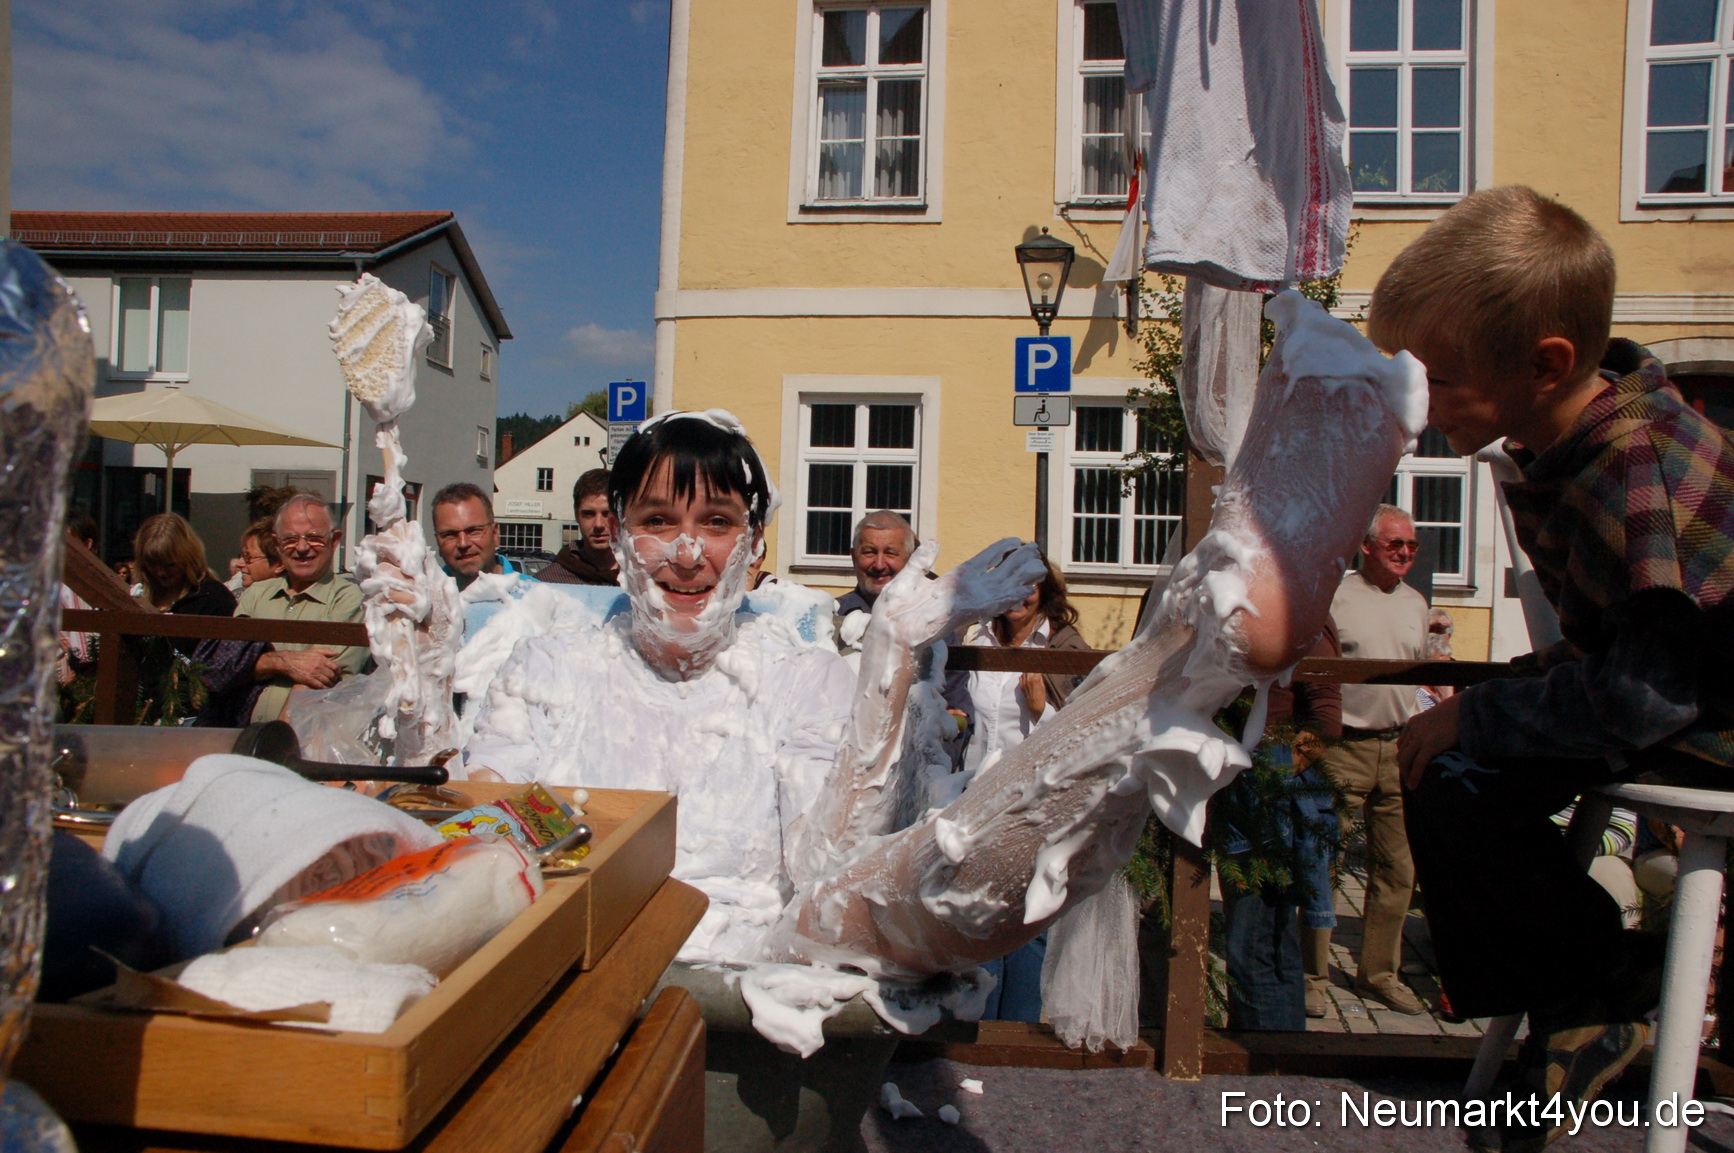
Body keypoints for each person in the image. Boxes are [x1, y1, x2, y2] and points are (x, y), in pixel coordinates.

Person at [1377, 186, 1734, 1148]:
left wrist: (1482, 719)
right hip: (1676, 702)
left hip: (1711, 724)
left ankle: (1606, 993)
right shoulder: (1571, 440)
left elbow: (1644, 691)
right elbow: (1607, 645)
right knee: (1443, 762)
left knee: (1457, 772)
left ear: (1545, 364)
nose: (1419, 404)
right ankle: (1580, 1002)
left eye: (1439, 380)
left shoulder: (1636, 463)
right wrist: (1491, 699)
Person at [465, 413, 859, 961]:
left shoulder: (803, 683)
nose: (688, 552)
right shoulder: (547, 672)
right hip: (570, 977)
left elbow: (832, 870)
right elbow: (485, 837)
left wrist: (895, 672)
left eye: (717, 522)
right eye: (659, 520)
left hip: (742, 999)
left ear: (754, 542)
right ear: (622, 536)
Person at [942, 553, 1091, 1021]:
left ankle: (1019, 1028)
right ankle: (979, 1028)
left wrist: (1043, 709)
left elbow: (1089, 736)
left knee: (1028, 918)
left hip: (1036, 799)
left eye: (1031, 584)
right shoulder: (977, 638)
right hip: (977, 794)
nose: (1021, 595)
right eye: (1012, 583)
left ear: (1045, 590)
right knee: (978, 914)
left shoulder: (1065, 644)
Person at [1310, 504, 1429, 1017]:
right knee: (1323, 865)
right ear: (1367, 546)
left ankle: (1379, 973)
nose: (1405, 554)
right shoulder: (1336, 596)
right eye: (1395, 545)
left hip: (1399, 747)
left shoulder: (1417, 602)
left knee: (1397, 870)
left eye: (1412, 546)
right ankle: (1312, 975)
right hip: (1347, 749)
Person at [1219, 620, 1343, 1029]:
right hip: (1233, 773)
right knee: (1267, 938)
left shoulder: (1299, 612)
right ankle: (1279, 1047)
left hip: (1266, 778)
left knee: (1257, 940)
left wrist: (1280, 774)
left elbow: (1325, 714)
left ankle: (1264, 1057)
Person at [235, 493, 368, 723]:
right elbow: (229, 663)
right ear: (277, 545)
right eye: (290, 539)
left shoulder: (349, 599)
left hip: (303, 744)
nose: (303, 547)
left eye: (315, 537)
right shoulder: (256, 594)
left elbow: (316, 677)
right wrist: (285, 662)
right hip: (239, 735)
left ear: (334, 541)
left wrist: (276, 746)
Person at [132, 514, 238, 653]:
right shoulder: (136, 597)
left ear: (188, 557)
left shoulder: (213, 597)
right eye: (152, 564)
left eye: (170, 565)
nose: (161, 573)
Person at [430, 483, 518, 590]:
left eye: (473, 531)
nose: (463, 543)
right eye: (450, 535)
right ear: (438, 542)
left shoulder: (534, 598)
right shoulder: (423, 600)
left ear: (495, 533)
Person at [538, 468, 618, 585]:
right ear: (576, 514)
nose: (598, 524)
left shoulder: (641, 579)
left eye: (607, 514)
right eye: (588, 514)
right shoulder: (547, 583)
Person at [835, 510, 915, 617]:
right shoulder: (829, 616)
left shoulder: (934, 618)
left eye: (890, 553)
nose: (879, 565)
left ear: (910, 559)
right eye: (869, 552)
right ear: (854, 557)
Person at [235, 520, 283, 592]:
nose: (238, 564)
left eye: (249, 557)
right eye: (242, 556)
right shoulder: (239, 596)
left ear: (279, 564)